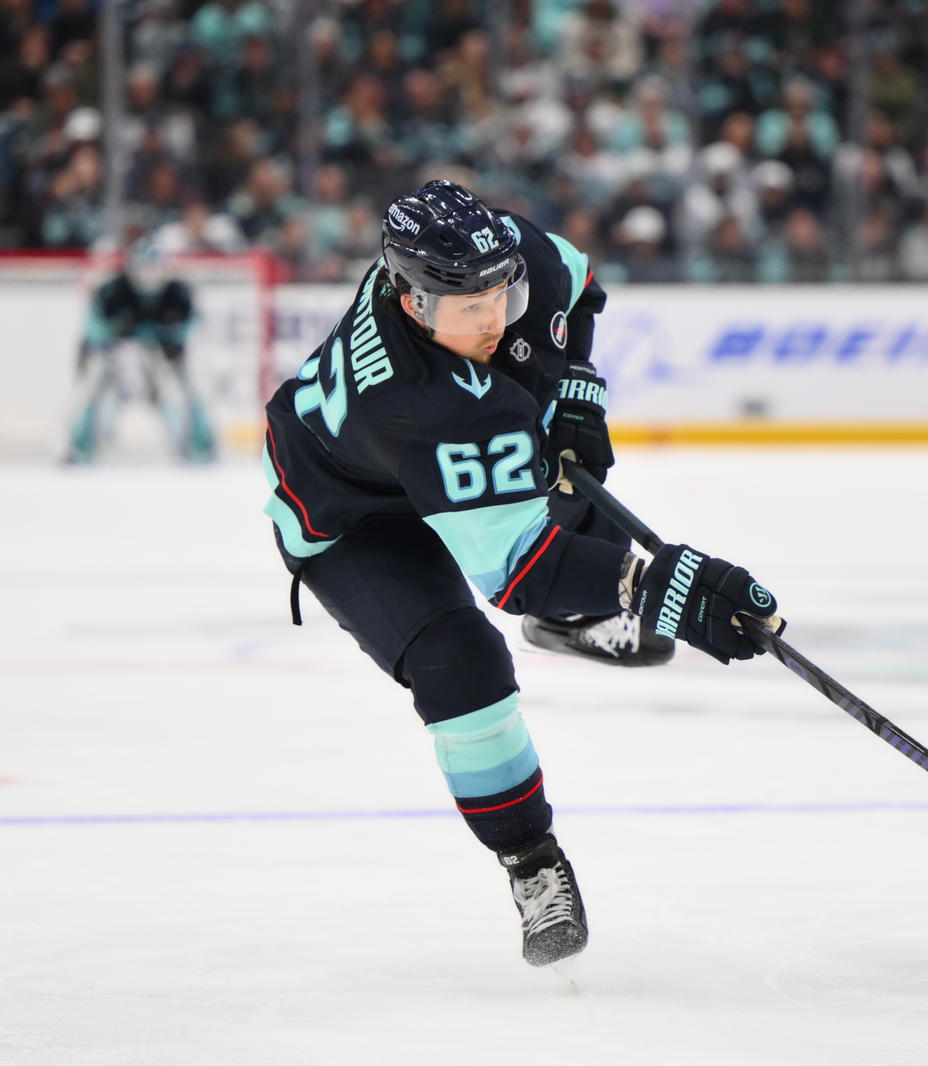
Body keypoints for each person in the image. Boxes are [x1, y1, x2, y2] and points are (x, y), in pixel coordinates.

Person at [260, 179, 781, 967]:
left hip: (447, 453)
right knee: (460, 664)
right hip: (354, 520)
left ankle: (572, 624)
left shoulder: (492, 256)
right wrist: (662, 588)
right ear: (411, 303)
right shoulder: (419, 403)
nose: (496, 317)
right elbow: (520, 573)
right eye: (471, 308)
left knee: (564, 468)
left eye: (503, 293)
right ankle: (531, 860)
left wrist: (575, 390)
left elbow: (575, 282)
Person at [65, 238, 216, 464]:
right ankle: (82, 445)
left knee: (184, 391)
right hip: (118, 357)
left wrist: (175, 334)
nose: (149, 275)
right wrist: (110, 333)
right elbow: (93, 325)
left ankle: (198, 446)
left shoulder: (177, 293)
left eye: (155, 269)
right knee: (94, 392)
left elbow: (195, 324)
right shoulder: (113, 291)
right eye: (145, 268)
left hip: (163, 356)